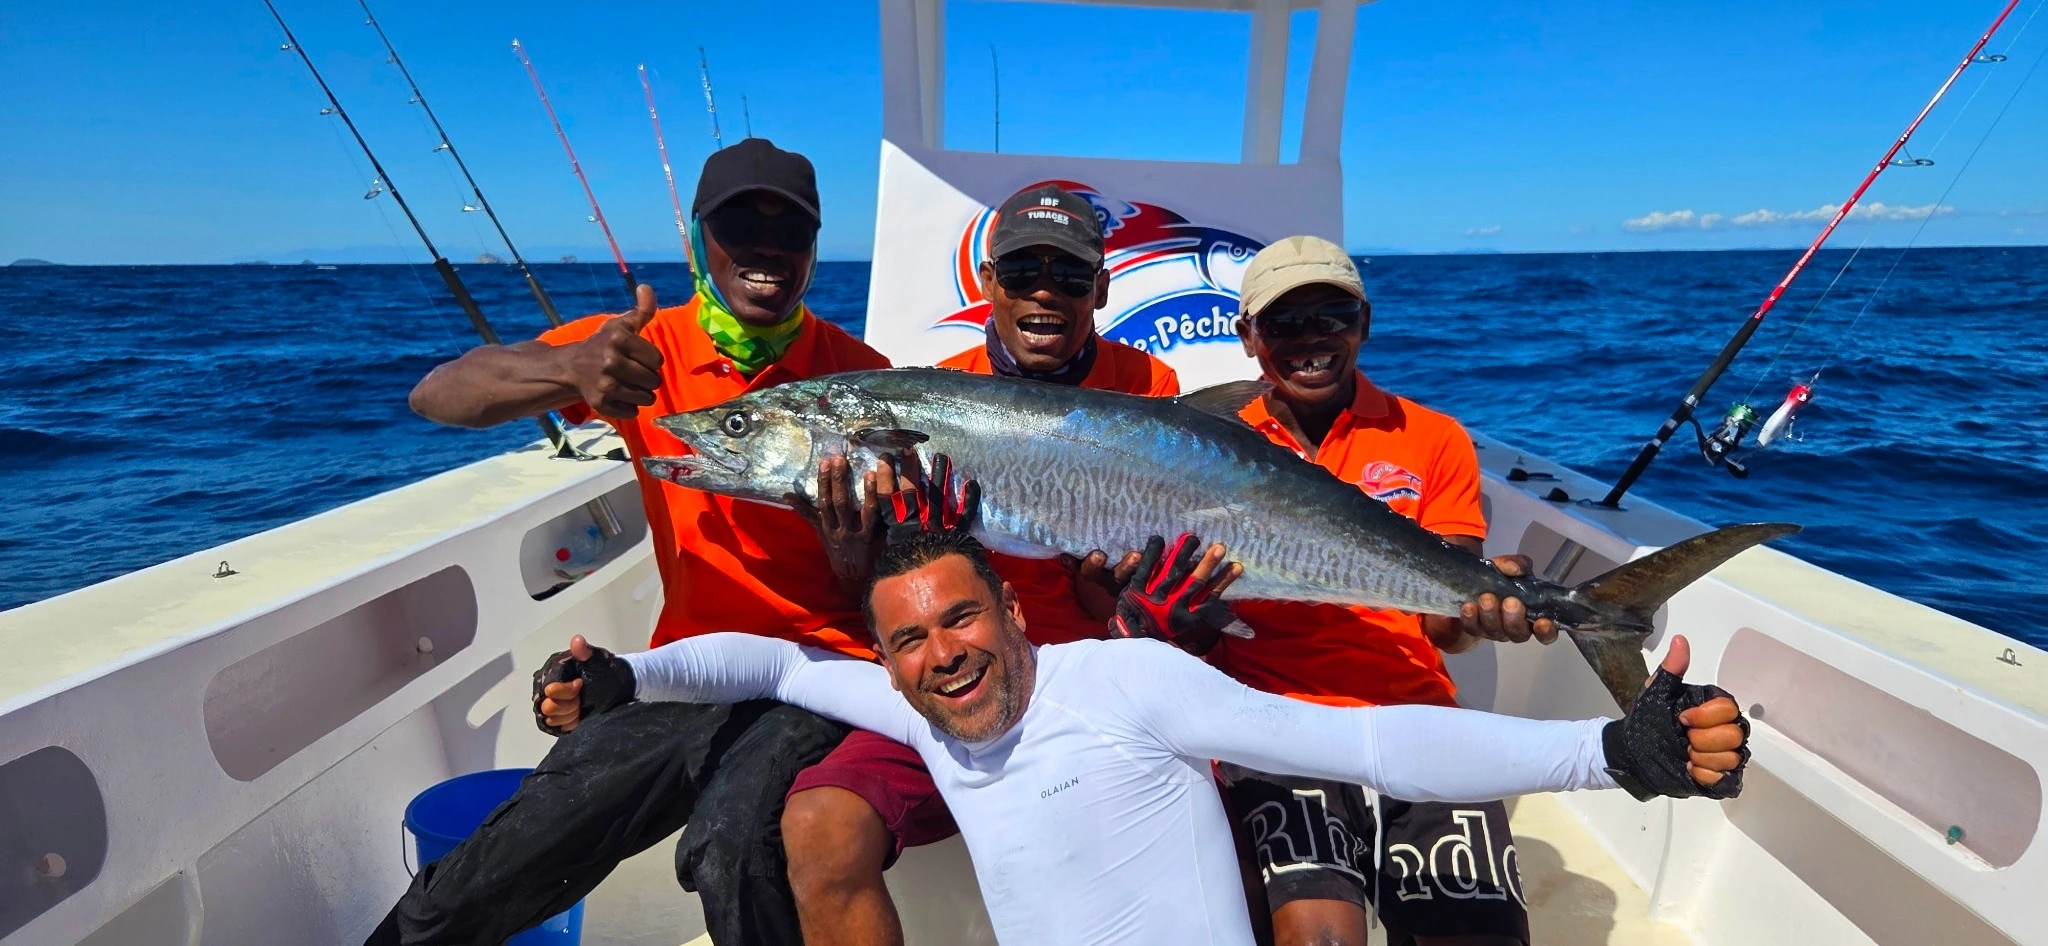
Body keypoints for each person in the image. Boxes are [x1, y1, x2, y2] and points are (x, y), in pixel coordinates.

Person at [539, 521, 1753, 946]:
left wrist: (1609, 756)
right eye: (907, 640)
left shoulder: (1125, 679)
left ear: (1013, 611)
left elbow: (1373, 747)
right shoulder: (920, 704)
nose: (941, 653)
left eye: (962, 617)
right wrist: (624, 679)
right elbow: (771, 659)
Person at [372, 138, 893, 946]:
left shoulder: (859, 378)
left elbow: (888, 574)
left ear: (815, 248)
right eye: (736, 225)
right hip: (684, 669)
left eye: (789, 230)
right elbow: (439, 394)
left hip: (821, 676)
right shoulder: (639, 351)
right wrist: (570, 371)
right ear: (698, 239)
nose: (765, 248)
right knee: (507, 851)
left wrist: (855, 549)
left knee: (734, 845)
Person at [774, 183, 1186, 946]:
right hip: (963, 679)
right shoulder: (933, 395)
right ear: (989, 283)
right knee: (819, 823)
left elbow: (1140, 582)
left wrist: (1113, 599)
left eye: (1067, 277)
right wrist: (856, 548)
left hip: (1095, 676)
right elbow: (895, 589)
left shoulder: (1149, 388)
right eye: (1023, 272)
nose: (1044, 293)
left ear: (1098, 290)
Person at [1198, 235, 1557, 946]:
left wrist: (1481, 614)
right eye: (1283, 323)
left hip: (1416, 713)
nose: (1310, 340)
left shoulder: (1432, 438)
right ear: (1248, 338)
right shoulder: (1211, 442)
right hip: (1272, 722)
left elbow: (1445, 624)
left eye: (1330, 316)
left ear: (1363, 322)